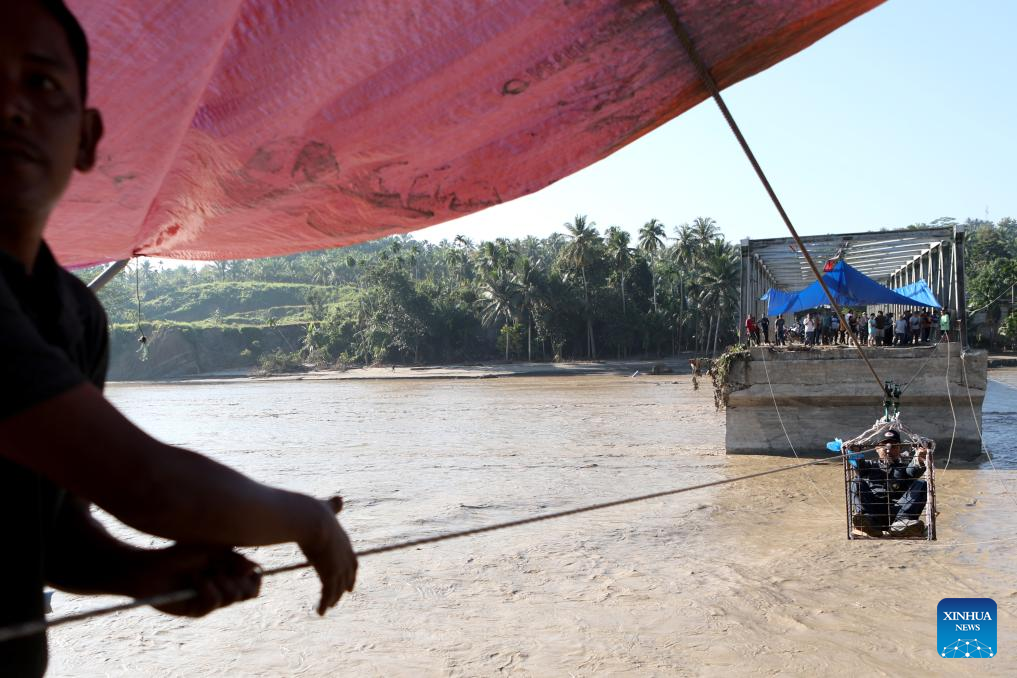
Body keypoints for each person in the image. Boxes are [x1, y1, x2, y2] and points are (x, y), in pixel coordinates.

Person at [0, 3, 357, 675]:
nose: (10, 109)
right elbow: (144, 482)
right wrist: (306, 520)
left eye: (41, 83)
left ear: (86, 137)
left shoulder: (73, 315)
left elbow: (53, 530)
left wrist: (142, 573)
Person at [848, 430, 929, 537]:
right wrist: (854, 453)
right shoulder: (869, 465)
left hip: (899, 512)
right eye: (884, 446)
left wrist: (919, 457)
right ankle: (867, 523)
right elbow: (859, 466)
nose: (888, 450)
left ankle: (902, 524)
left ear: (900, 449)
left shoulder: (905, 466)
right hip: (873, 513)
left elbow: (913, 470)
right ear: (876, 448)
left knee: (921, 484)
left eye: (894, 446)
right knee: (856, 482)